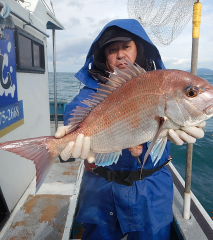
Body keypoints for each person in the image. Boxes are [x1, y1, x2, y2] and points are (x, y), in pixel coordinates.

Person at [55, 19, 205, 240]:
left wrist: (191, 121)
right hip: (101, 189)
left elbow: (178, 108)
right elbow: (74, 118)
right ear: (103, 56)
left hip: (151, 190)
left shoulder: (159, 84)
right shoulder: (91, 94)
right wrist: (64, 147)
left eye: (126, 47)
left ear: (138, 50)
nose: (120, 55)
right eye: (112, 50)